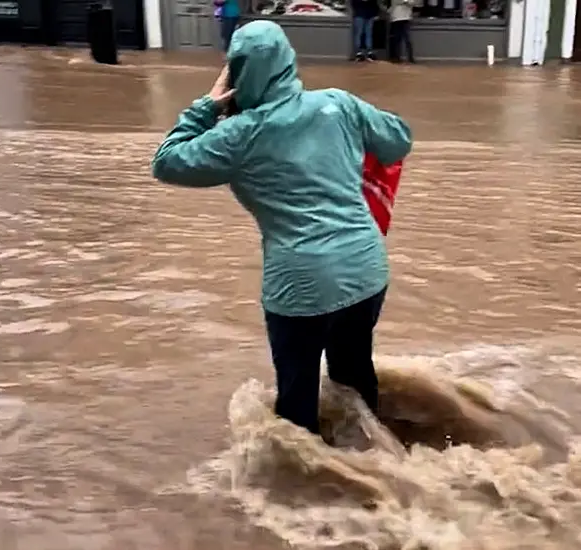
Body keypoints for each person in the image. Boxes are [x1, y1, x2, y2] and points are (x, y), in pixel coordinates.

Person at [151, 21, 413, 436]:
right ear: (289, 62)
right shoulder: (339, 104)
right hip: (366, 270)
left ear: (236, 74)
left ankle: (307, 488)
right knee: (355, 378)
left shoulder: (237, 136)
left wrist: (207, 105)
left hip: (301, 287)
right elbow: (398, 140)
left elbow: (166, 162)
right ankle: (381, 463)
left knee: (296, 405)